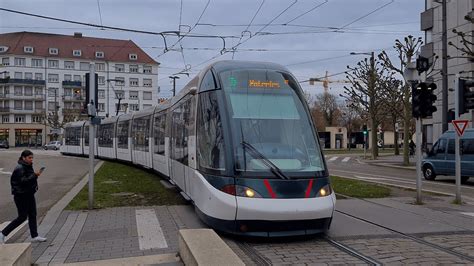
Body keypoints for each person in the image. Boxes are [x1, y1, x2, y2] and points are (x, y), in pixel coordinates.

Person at [0, 150, 47, 244]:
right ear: (23, 158)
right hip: (21, 196)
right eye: (29, 158)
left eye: (32, 157)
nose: (31, 159)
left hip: (29, 194)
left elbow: (29, 180)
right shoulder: (19, 168)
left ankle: (34, 236)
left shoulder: (27, 166)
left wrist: (35, 176)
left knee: (33, 215)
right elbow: (23, 181)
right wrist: (35, 175)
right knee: (22, 217)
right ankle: (2, 233)